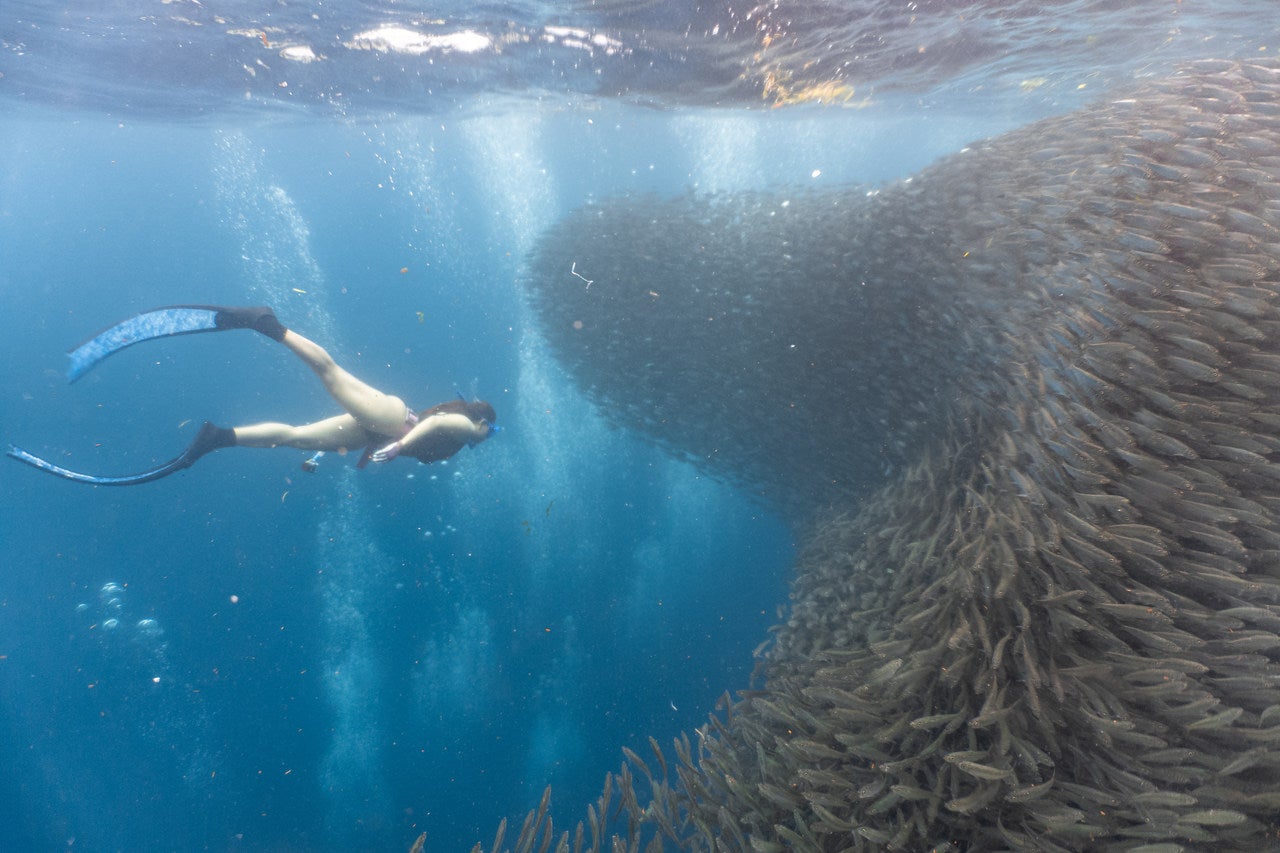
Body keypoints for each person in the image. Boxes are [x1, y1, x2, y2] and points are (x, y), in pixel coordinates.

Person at [7, 305, 498, 485]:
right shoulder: (465, 428)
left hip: (381, 432)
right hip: (396, 421)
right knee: (330, 374)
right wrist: (397, 445)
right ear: (481, 418)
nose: (488, 437)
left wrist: (376, 451)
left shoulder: (465, 433)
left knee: (294, 438)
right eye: (488, 428)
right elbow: (433, 427)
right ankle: (266, 324)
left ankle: (218, 438)